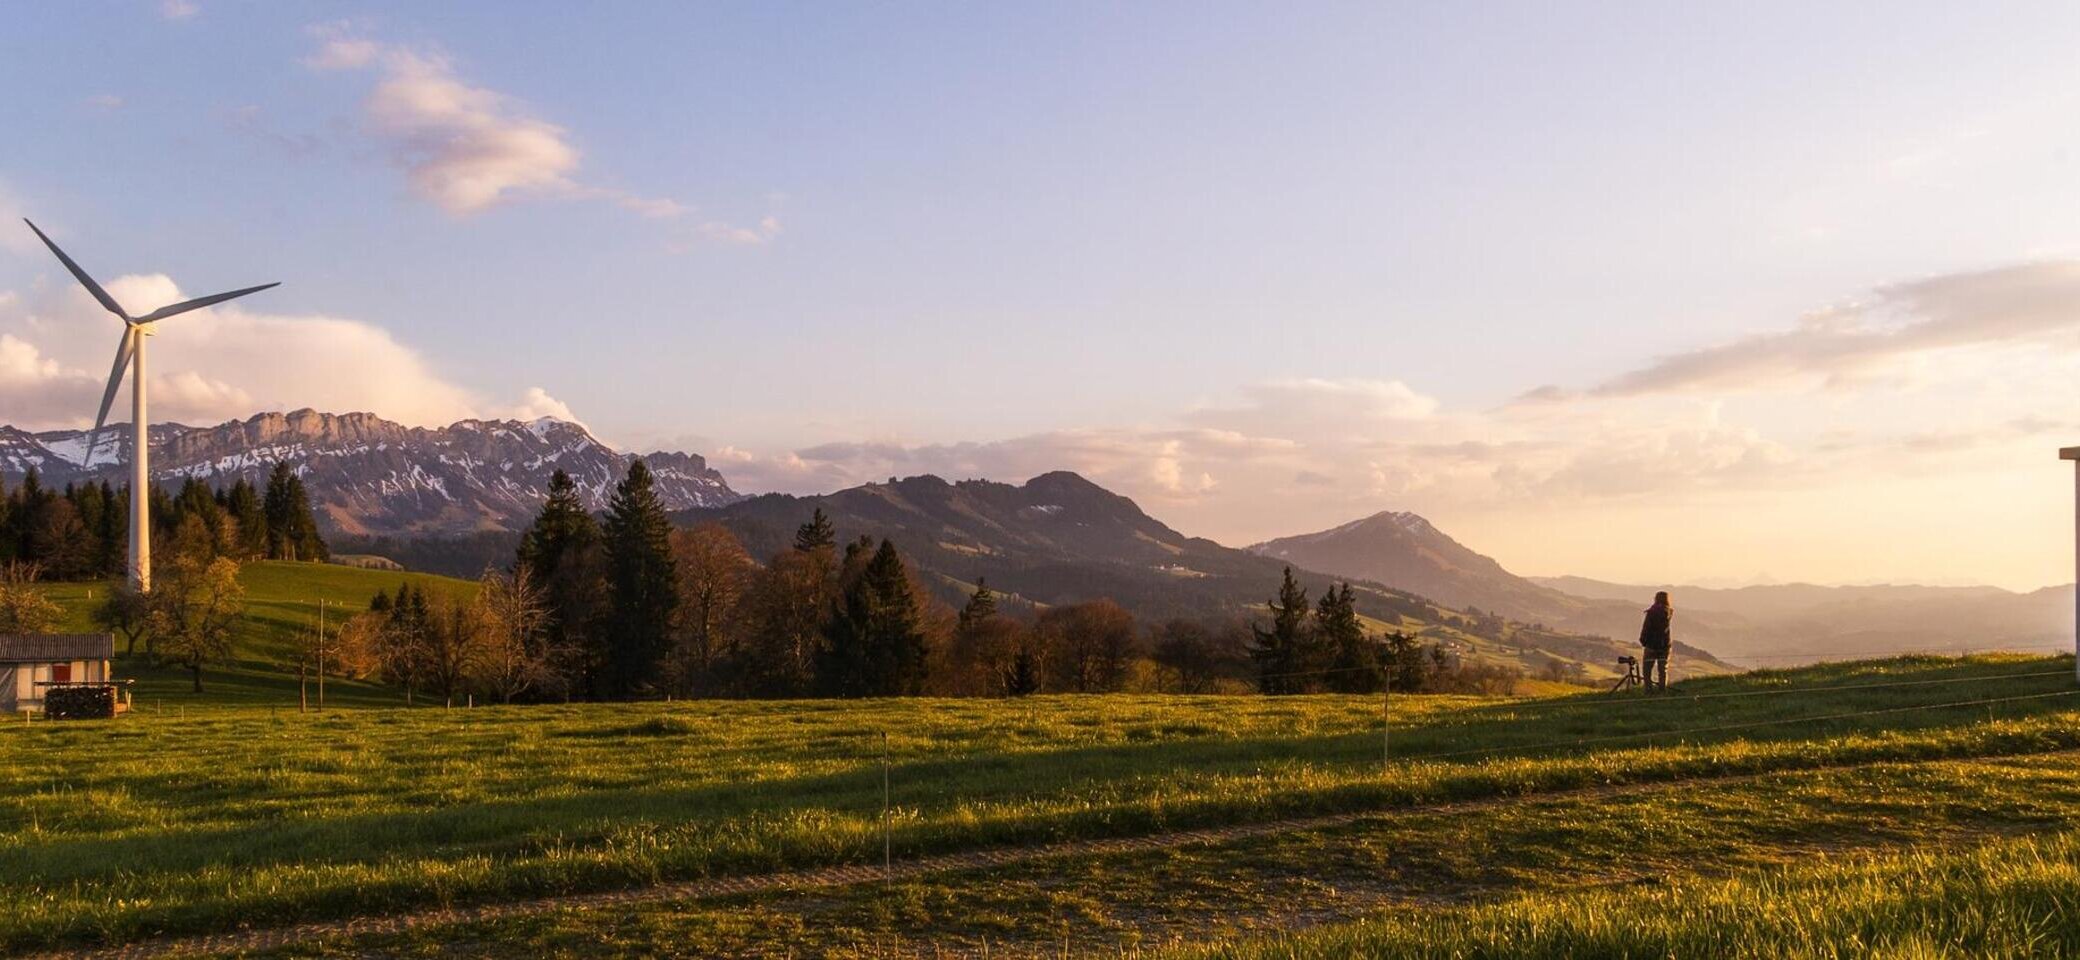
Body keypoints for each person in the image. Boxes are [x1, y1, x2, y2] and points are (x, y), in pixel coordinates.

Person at [1638, 591, 1673, 691]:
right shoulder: (1669, 612)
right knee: (1663, 669)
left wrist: (1643, 640)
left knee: (1647, 669)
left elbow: (1646, 627)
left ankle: (1648, 689)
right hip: (1665, 644)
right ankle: (1662, 689)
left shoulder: (1652, 612)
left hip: (1651, 644)